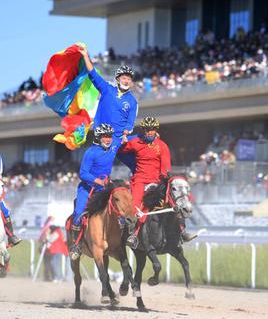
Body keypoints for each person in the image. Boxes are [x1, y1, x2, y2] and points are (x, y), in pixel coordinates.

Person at [119, 117, 194, 248]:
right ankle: (133, 235)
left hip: (157, 182)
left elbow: (165, 169)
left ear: (156, 131)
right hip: (140, 181)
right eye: (147, 130)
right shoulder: (135, 142)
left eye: (152, 130)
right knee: (136, 206)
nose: (149, 132)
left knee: (175, 201)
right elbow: (119, 151)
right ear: (143, 130)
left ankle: (182, 231)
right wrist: (122, 141)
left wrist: (164, 182)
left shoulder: (162, 146)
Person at [68, 123, 118, 260]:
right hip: (87, 189)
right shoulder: (90, 153)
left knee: (120, 205)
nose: (108, 139)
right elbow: (83, 173)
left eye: (110, 136)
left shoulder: (113, 147)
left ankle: (127, 235)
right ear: (98, 137)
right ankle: (76, 245)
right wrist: (97, 181)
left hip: (105, 189)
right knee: (78, 213)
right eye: (105, 136)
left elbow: (126, 137)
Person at [77, 46, 138, 156]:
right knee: (98, 163)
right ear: (118, 79)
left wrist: (125, 135)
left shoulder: (133, 101)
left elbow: (130, 122)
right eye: (124, 78)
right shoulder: (107, 89)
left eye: (129, 79)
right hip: (102, 137)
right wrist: (86, 56)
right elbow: (93, 74)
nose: (126, 81)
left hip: (119, 140)